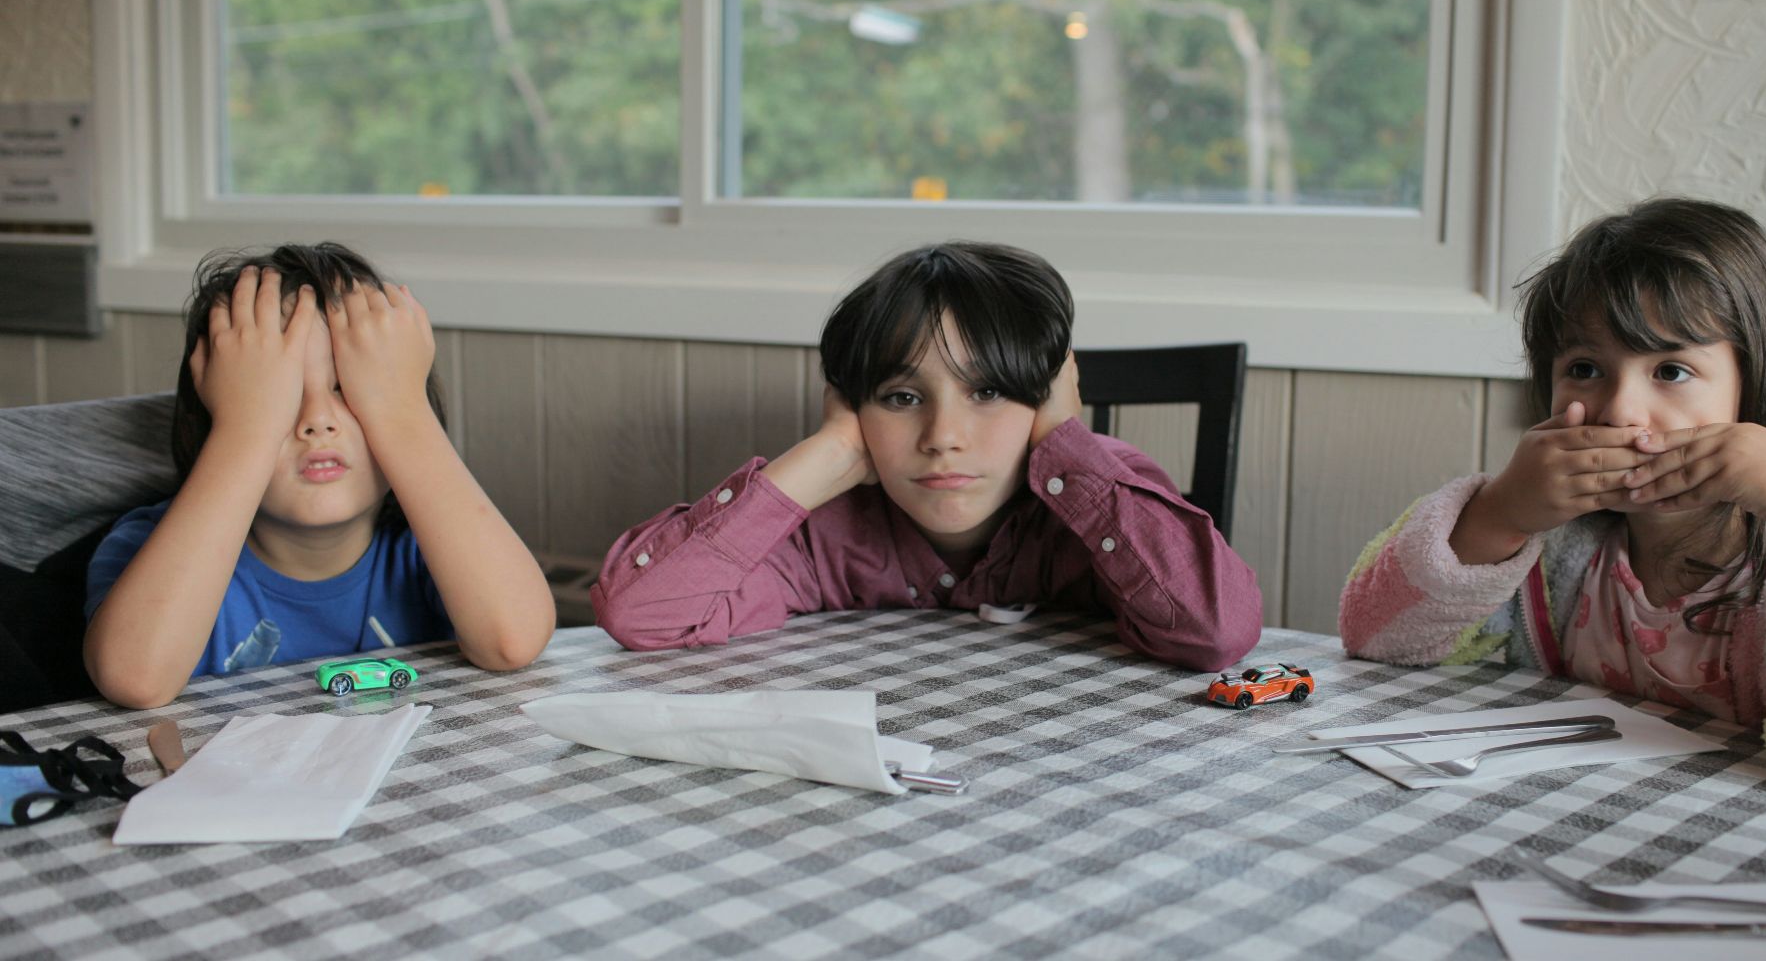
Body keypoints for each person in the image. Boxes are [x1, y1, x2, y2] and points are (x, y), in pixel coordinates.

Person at [1339, 198, 1766, 804]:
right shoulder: (1549, 553)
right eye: (1586, 368)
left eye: (1670, 371)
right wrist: (1500, 512)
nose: (1620, 412)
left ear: (1755, 389)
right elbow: (1378, 641)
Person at [593, 241, 1262, 671]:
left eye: (990, 391)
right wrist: (825, 455)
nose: (944, 435)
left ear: (1049, 397)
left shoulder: (1098, 495)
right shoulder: (821, 535)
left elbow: (1218, 631)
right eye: (902, 397)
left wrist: (1065, 440)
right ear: (853, 410)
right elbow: (640, 614)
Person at [85, 244, 554, 708]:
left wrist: (402, 412)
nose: (317, 421)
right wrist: (246, 429)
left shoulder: (430, 549)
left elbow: (512, 642)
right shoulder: (146, 546)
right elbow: (136, 679)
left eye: (348, 390)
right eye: (280, 398)